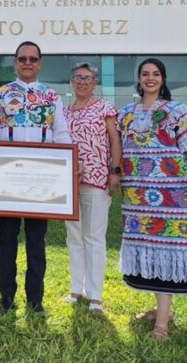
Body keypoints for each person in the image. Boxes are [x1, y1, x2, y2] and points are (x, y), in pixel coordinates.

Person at [117, 58, 187, 340]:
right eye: (145, 74)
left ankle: (162, 324)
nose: (150, 78)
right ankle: (161, 310)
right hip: (138, 197)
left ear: (163, 79)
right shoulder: (126, 114)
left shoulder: (177, 112)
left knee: (168, 249)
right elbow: (118, 150)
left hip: (173, 194)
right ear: (139, 79)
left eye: (156, 74)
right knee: (153, 253)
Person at [0, 41, 72, 315]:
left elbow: (61, 134)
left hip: (41, 181)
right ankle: (6, 297)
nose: (28, 63)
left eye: (33, 59)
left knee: (36, 242)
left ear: (40, 63)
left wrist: (68, 166)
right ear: (15, 62)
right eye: (22, 59)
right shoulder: (1, 94)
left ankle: (36, 300)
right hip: (7, 180)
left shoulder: (51, 95)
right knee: (7, 241)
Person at [62, 62, 122, 315]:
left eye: (88, 78)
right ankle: (77, 289)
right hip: (68, 182)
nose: (82, 82)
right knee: (74, 237)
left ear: (95, 82)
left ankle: (95, 296)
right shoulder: (64, 112)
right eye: (78, 77)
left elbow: (114, 141)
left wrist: (115, 171)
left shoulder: (105, 107)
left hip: (97, 180)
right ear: (72, 81)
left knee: (94, 237)